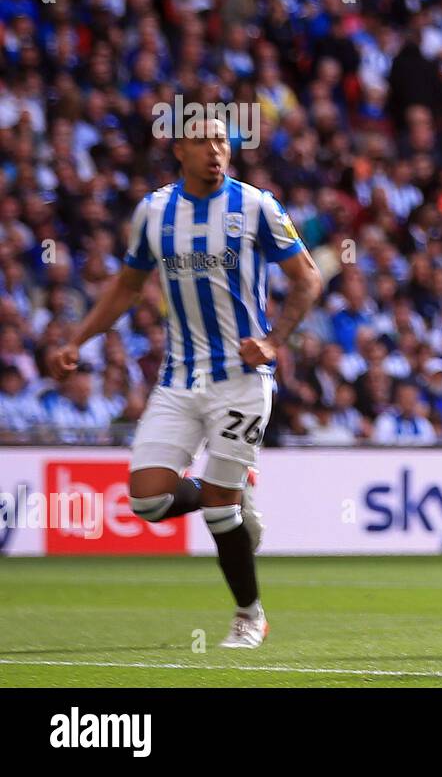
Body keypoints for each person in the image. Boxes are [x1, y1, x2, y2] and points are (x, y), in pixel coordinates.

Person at [48, 118, 323, 649]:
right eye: (202, 141)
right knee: (148, 501)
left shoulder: (257, 206)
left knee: (219, 510)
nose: (215, 150)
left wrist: (274, 340)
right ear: (179, 150)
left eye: (222, 141)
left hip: (242, 379)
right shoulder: (154, 212)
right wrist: (77, 341)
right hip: (178, 377)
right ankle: (235, 492)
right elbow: (127, 285)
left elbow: (308, 278)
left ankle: (249, 615)